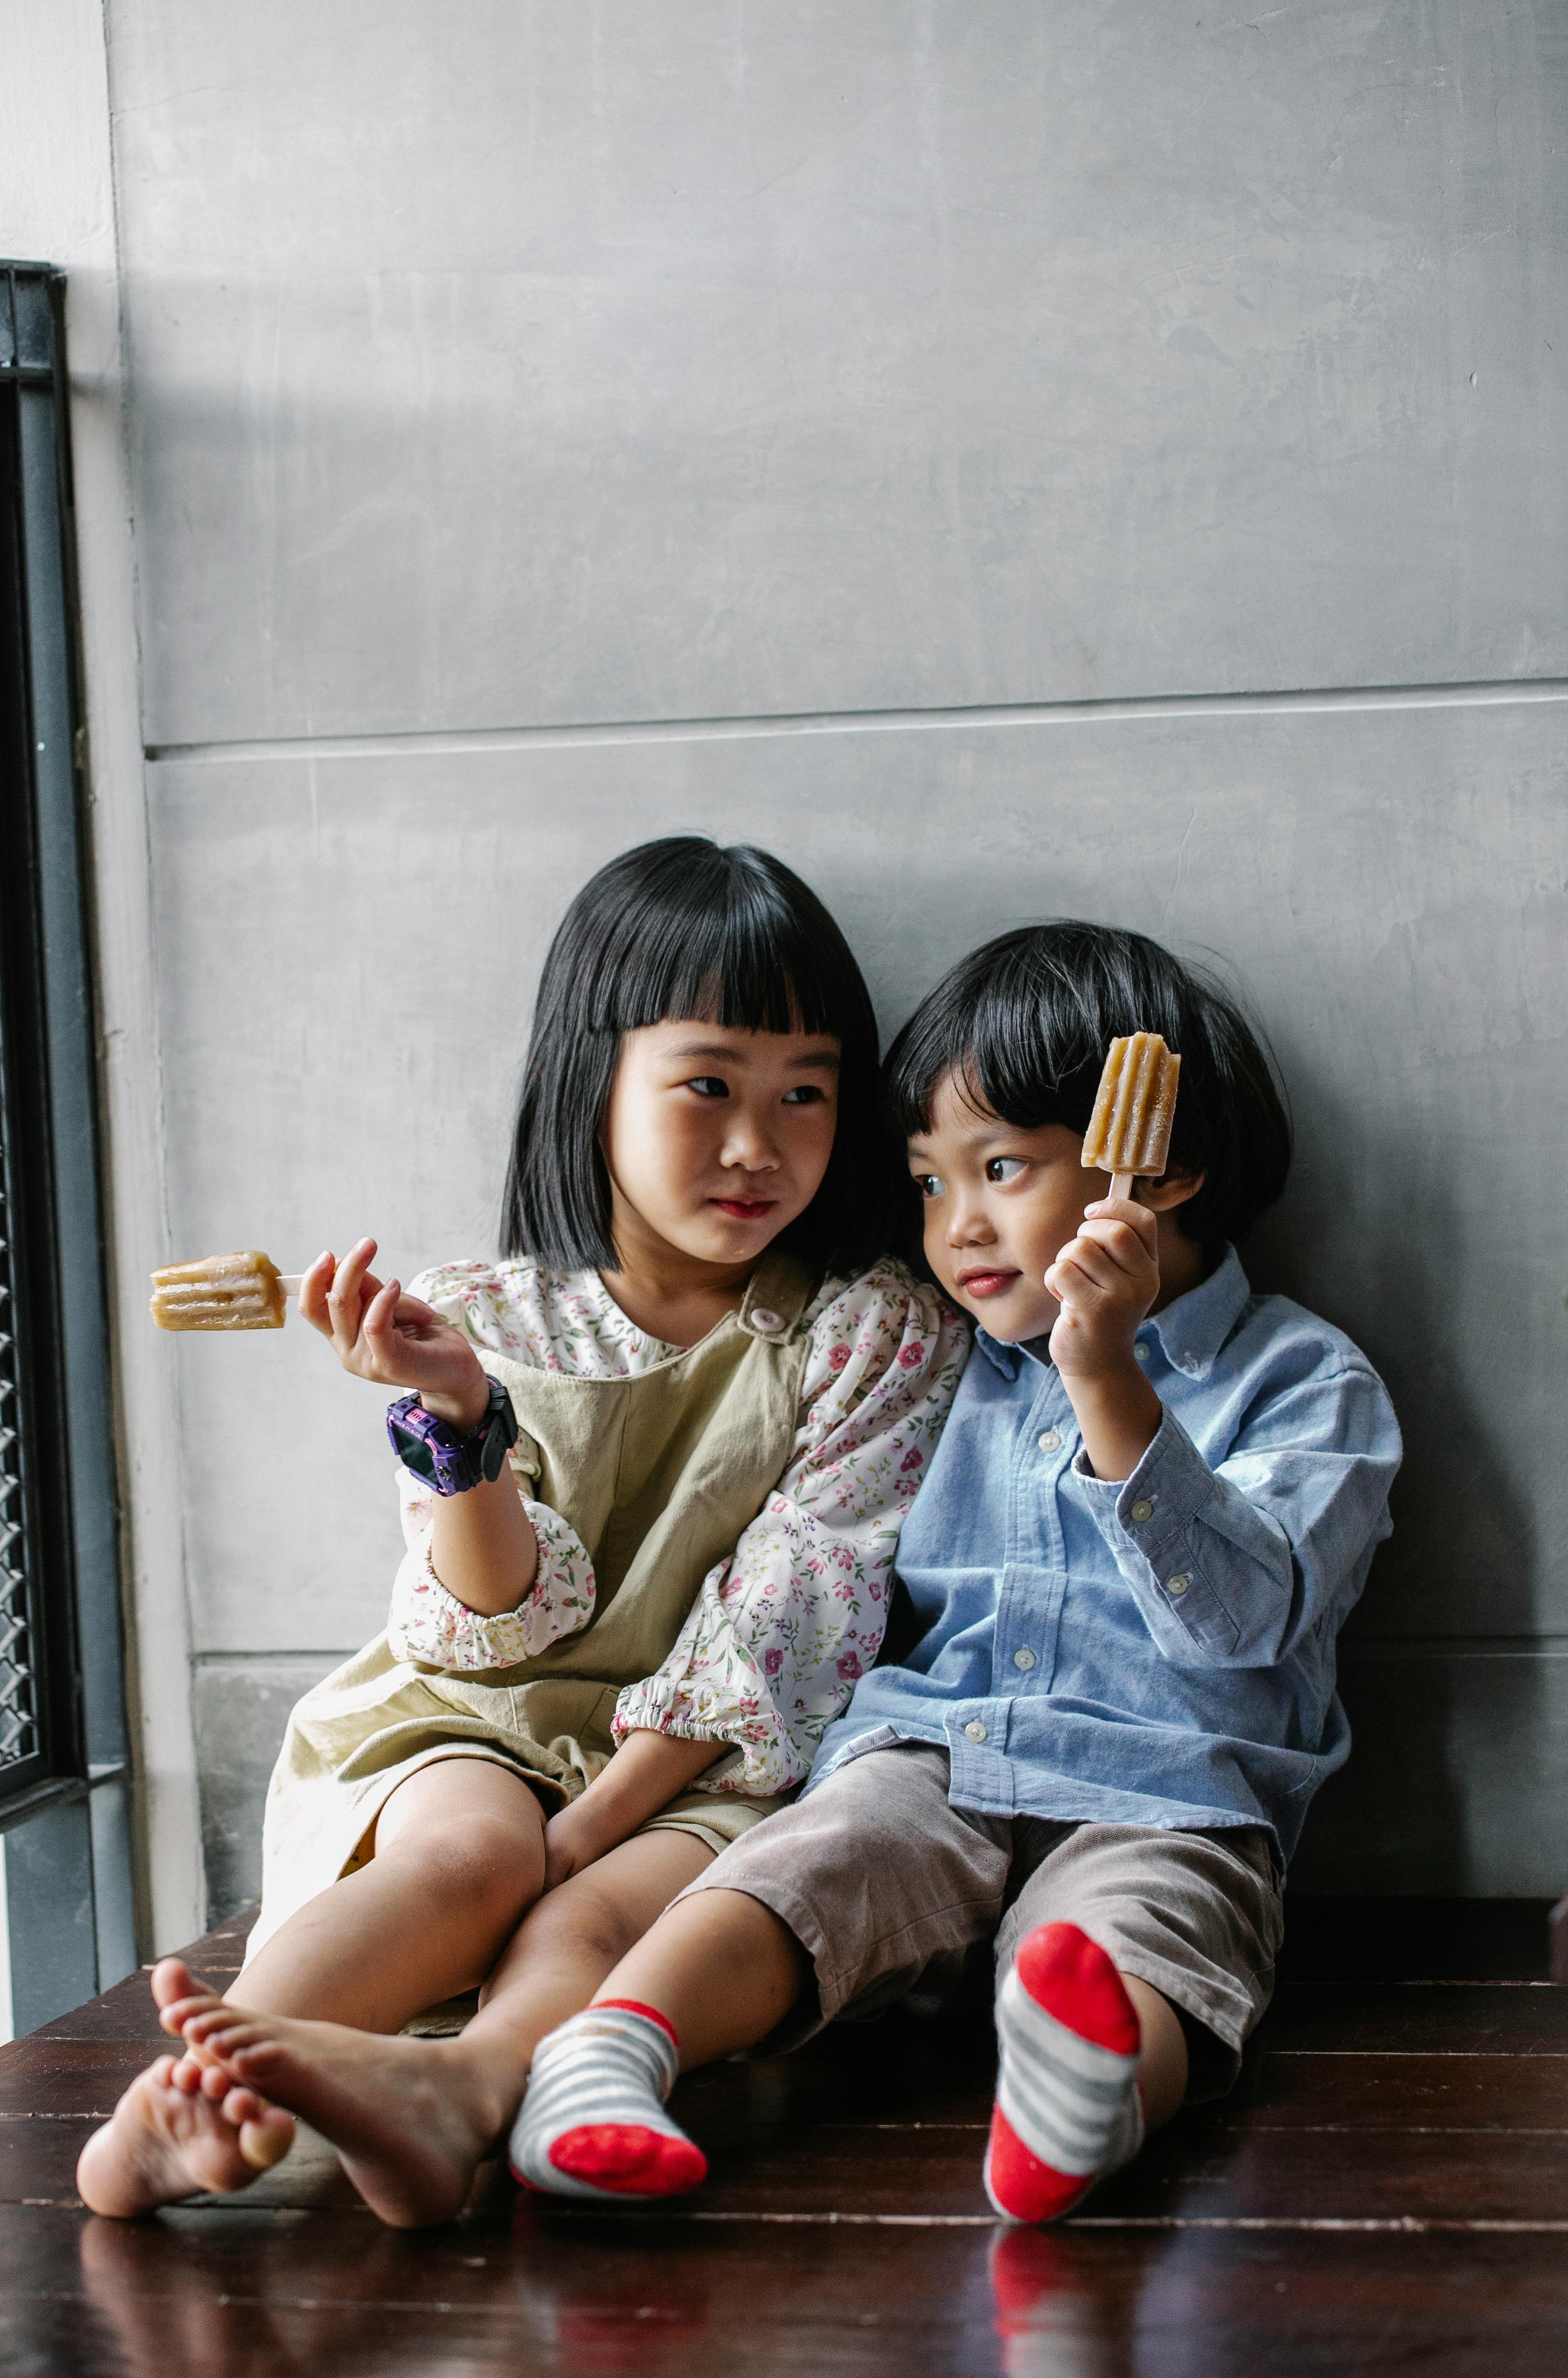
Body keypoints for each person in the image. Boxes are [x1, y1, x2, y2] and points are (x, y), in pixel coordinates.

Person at [77, 837, 967, 2226]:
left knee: (590, 1919)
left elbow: (798, 1608)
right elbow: (495, 1619)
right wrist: (459, 1416)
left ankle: (462, 2097)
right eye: (708, 1086)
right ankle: (196, 2092)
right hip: (477, 1719)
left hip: (714, 1757)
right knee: (473, 1859)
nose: (759, 1143)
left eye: (807, 1092)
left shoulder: (874, 1329)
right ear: (591, 1081)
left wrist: (599, 1823)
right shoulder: (478, 1316)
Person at [499, 920, 1402, 2221]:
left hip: (1169, 1787)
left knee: (1146, 1928)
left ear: (1171, 1166)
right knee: (818, 1857)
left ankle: (1082, 2097)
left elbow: (1244, 1628)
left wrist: (1109, 1380)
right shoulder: (942, 1362)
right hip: (937, 1750)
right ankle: (609, 2049)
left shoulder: (1310, 1383)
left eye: (1002, 1168)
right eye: (928, 1182)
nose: (958, 1226)